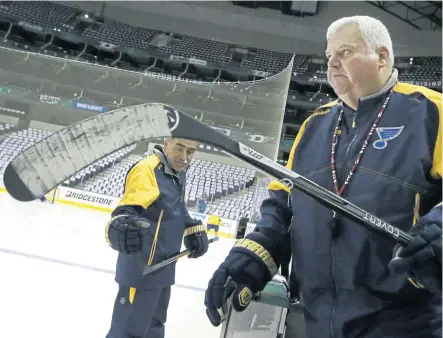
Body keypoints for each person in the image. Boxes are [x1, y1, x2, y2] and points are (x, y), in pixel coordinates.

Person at [204, 15, 442, 338]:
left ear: (382, 57)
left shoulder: (430, 112)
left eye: (345, 52)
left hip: (405, 324)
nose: (332, 64)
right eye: (329, 56)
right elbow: (281, 212)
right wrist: (252, 258)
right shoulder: (312, 127)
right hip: (315, 323)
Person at [105, 138, 209, 338]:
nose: (184, 157)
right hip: (142, 271)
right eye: (179, 148)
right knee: (127, 333)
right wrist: (118, 227)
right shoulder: (148, 169)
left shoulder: (178, 171)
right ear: (167, 142)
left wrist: (191, 227)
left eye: (191, 152)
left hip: (164, 269)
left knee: (154, 329)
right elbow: (127, 211)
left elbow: (174, 208)